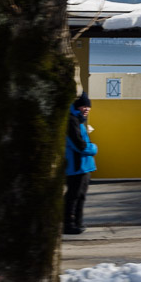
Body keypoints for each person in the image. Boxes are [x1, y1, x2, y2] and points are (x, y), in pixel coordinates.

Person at [64, 91, 97, 235]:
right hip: (77, 166)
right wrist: (94, 148)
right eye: (84, 106)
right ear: (77, 106)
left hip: (83, 166)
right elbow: (80, 145)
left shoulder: (77, 120)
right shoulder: (71, 121)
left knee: (80, 196)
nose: (87, 109)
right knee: (74, 196)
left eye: (88, 107)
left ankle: (77, 223)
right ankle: (69, 225)